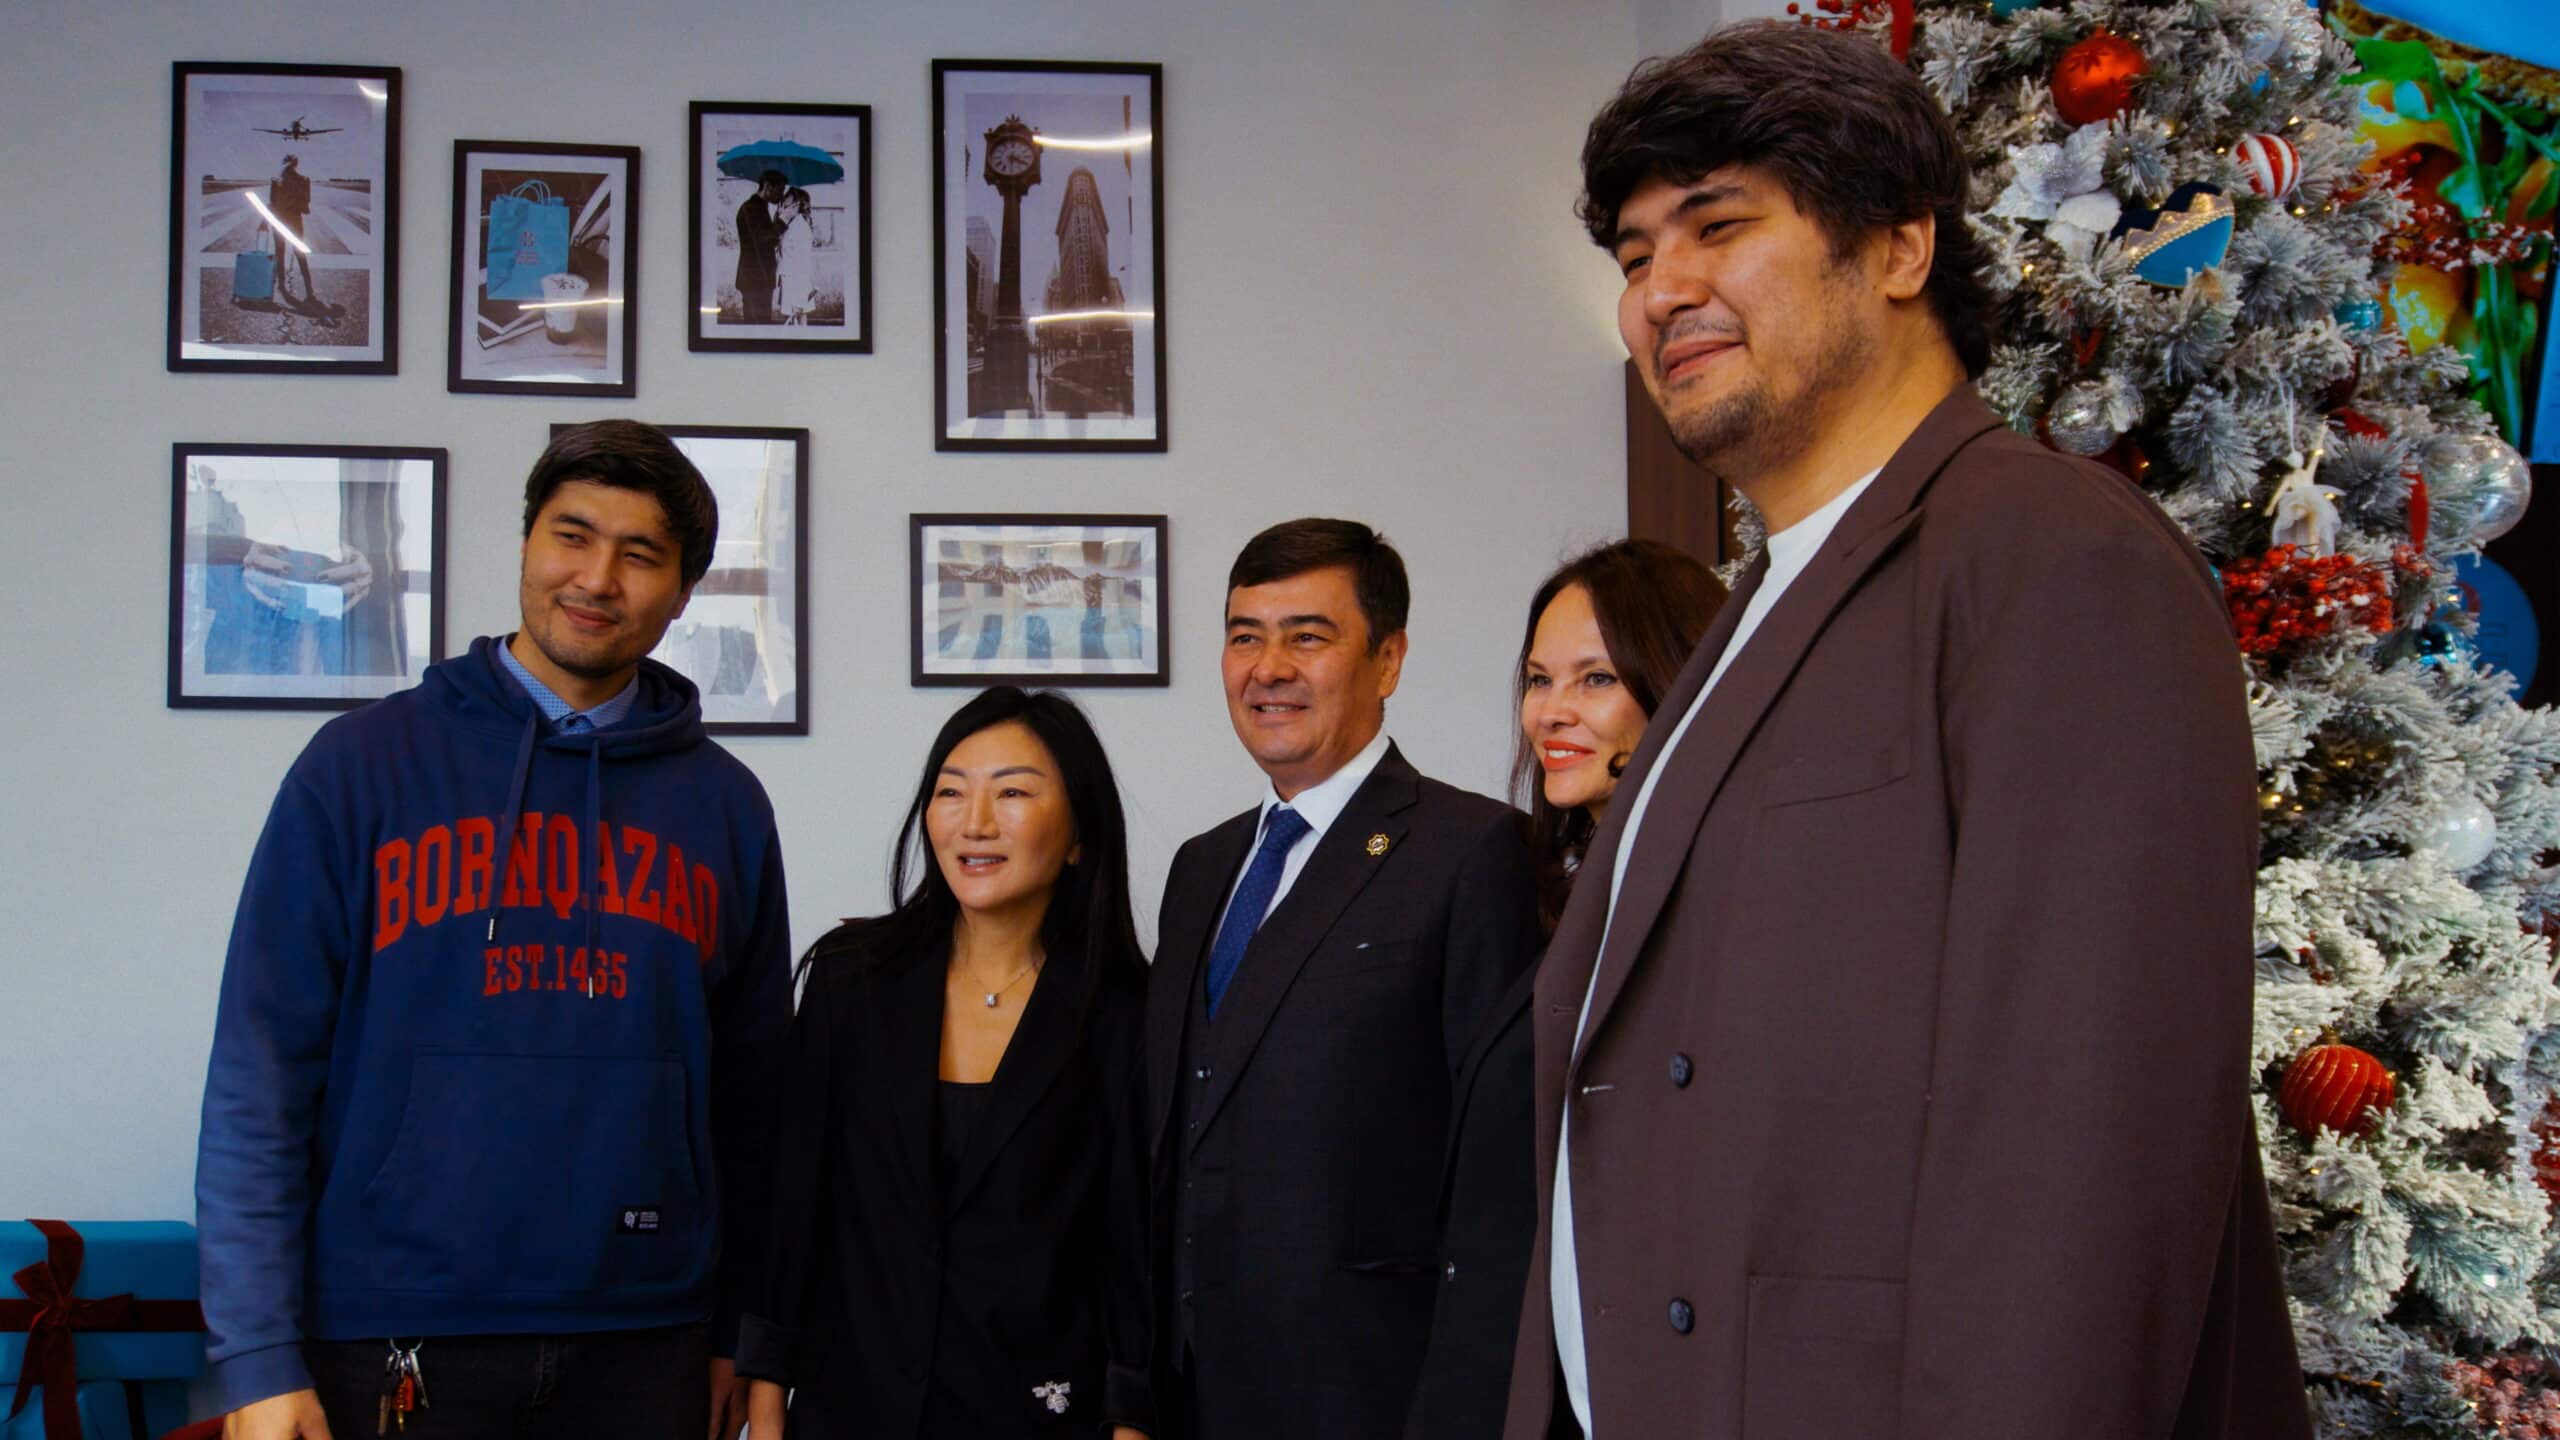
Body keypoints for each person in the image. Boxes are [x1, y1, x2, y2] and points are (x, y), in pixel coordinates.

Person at [1506, 24, 2313, 1439]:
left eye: (1717, 226)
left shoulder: (2054, 555)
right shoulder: (1756, 602)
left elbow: (2083, 1155)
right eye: (1634, 258)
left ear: (1897, 246)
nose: (1658, 293)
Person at [197, 420, 792, 1440]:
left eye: (640, 554)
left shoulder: (725, 806)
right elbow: (261, 1074)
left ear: (683, 592)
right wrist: (255, 1357)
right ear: (526, 544)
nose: (596, 578)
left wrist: (746, 1329)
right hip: (391, 1330)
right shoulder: (359, 767)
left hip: (650, 1337)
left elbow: (756, 1101)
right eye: (572, 536)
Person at [1148, 518, 1543, 1440]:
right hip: (1194, 1390)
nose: (1268, 668)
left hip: (1373, 1389)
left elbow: (1500, 1170)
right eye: (1245, 636)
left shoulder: (1471, 851)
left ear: (1388, 659)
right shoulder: (1201, 868)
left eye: (1308, 637)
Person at [737, 686, 1154, 1440]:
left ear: (1078, 835)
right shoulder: (850, 977)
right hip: (850, 1409)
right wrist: (766, 1391)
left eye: (1014, 792)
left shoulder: (1128, 1014)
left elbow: (1132, 1243)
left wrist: (1132, 1417)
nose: (975, 822)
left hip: (1035, 1413)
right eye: (951, 792)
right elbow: (793, 1199)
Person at [1405, 540, 1719, 1440]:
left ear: (1678, 683)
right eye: (1540, 680)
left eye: (1596, 679)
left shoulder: (1712, 902)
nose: (1551, 711)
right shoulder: (1558, 893)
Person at [734, 170, 786, 323]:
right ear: (768, 186)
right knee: (757, 325)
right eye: (780, 190)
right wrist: (783, 220)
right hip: (754, 279)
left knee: (760, 323)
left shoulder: (759, 207)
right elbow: (765, 240)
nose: (782, 195)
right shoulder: (751, 208)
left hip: (757, 277)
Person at [269, 154, 315, 302]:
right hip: (295, 220)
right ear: (296, 164)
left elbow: (271, 203)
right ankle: (309, 289)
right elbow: (306, 204)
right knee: (300, 254)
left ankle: (281, 285)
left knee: (279, 252)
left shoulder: (276, 181)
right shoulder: (304, 180)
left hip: (279, 220)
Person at [774, 187, 817, 325]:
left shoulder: (800, 227)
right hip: (789, 278)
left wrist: (799, 295)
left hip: (797, 281)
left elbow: (803, 262)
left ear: (797, 206)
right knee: (793, 318)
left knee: (798, 316)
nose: (784, 208)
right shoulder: (791, 224)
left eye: (787, 205)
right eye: (783, 205)